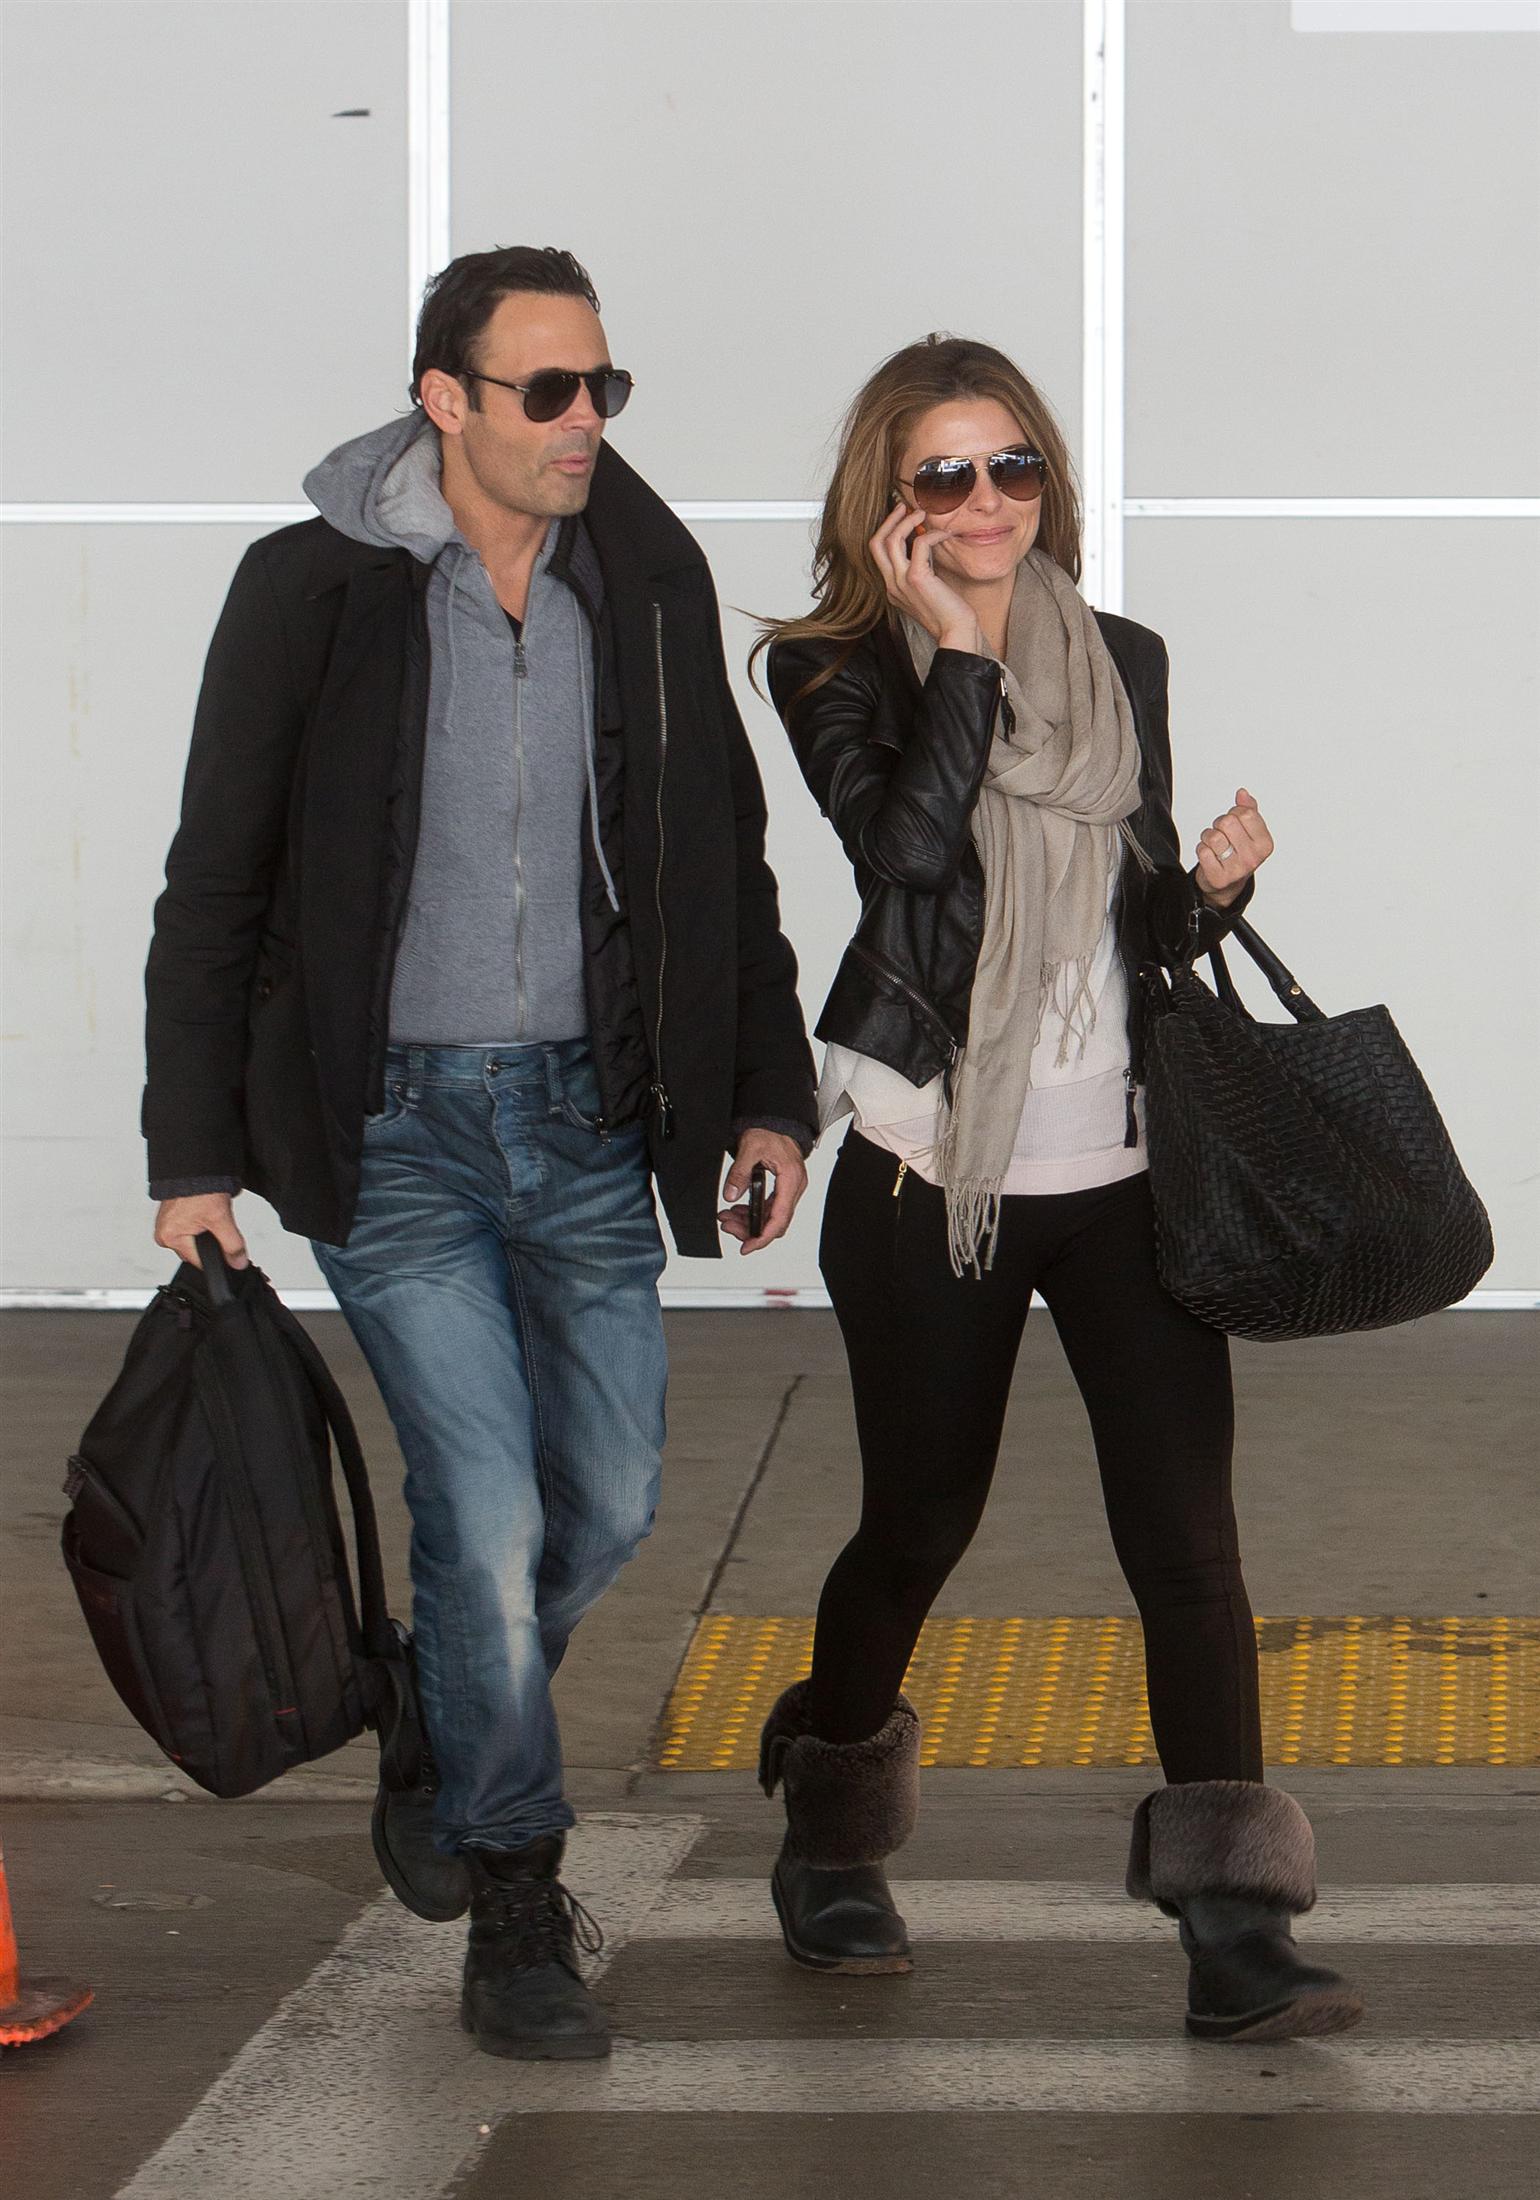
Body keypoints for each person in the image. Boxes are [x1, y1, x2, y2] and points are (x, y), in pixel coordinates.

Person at [143, 246, 816, 2060]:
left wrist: (768, 1093)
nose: (587, 421)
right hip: (395, 1132)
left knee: (609, 1501)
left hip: (589, 1116)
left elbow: (720, 862)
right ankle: (516, 1892)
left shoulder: (644, 583)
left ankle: (441, 1710)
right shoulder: (310, 589)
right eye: (549, 391)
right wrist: (192, 1149)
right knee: (488, 1511)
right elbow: (216, 881)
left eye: (605, 387)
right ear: (444, 400)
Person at [752, 335, 1363, 2044]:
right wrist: (958, 652)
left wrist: (1210, 895)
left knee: (1188, 1545)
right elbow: (907, 860)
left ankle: (1235, 1924)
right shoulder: (831, 669)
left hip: (1124, 1167)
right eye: (945, 474)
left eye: (1012, 466)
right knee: (919, 1523)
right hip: (932, 1166)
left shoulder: (1121, 659)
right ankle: (831, 1827)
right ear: (888, 501)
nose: (988, 501)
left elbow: (1129, 915)